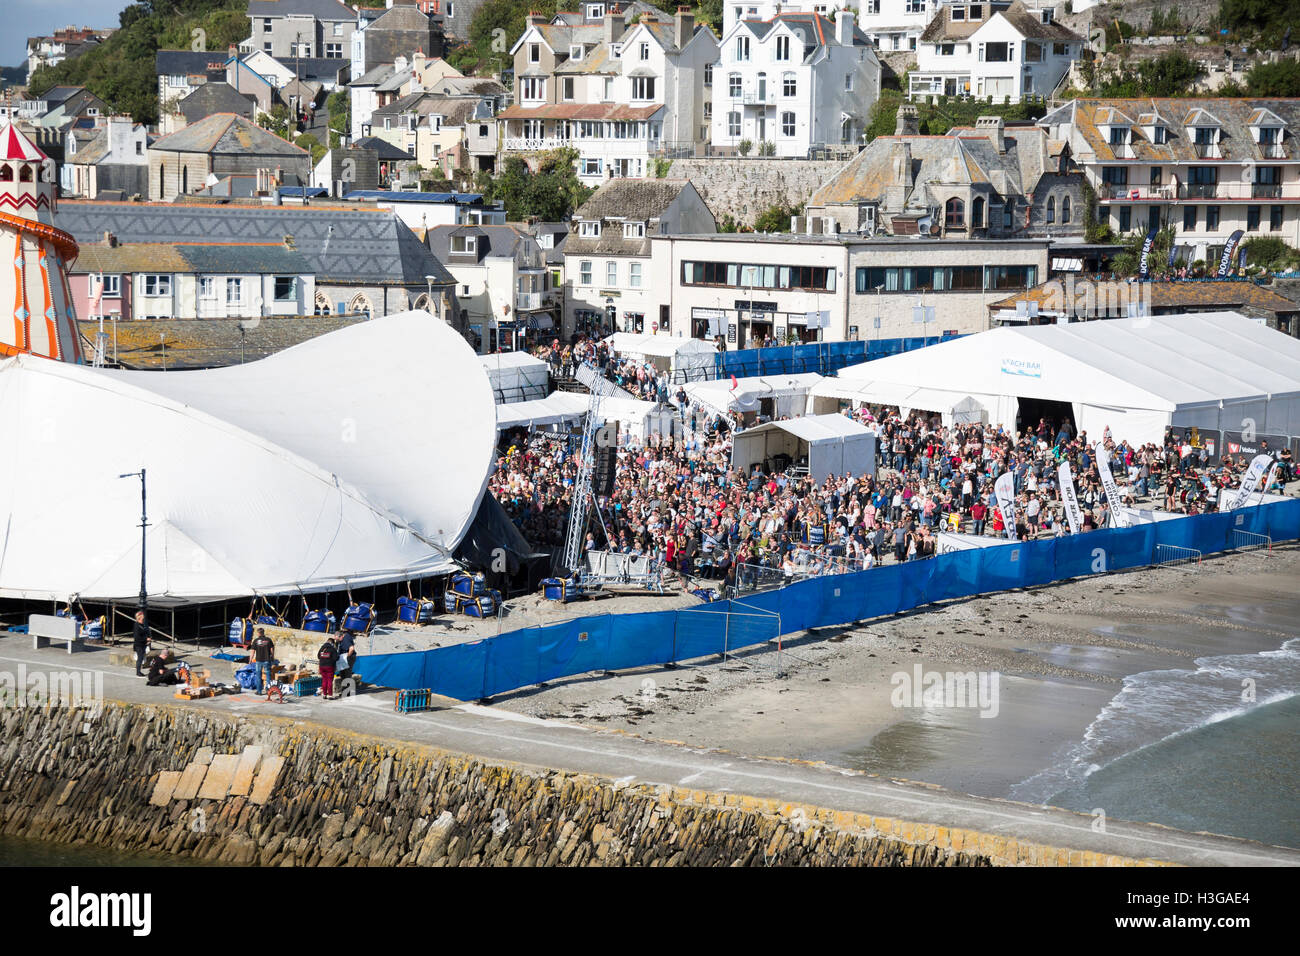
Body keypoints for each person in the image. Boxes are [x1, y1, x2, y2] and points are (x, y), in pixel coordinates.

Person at [250, 627, 275, 694]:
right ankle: (268, 691)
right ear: (263, 632)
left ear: (258, 633)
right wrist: (272, 657)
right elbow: (272, 649)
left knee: (258, 676)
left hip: (259, 660)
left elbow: (252, 651)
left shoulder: (256, 641)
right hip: (267, 660)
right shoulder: (268, 640)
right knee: (268, 676)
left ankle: (259, 691)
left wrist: (250, 660)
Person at [317, 636, 340, 700]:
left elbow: (318, 656)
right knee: (329, 681)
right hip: (329, 667)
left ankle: (324, 694)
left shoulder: (322, 648)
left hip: (322, 666)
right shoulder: (332, 649)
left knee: (324, 680)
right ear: (332, 643)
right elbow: (336, 658)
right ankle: (330, 695)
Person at [133, 609, 149, 677]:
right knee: (140, 658)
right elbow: (137, 637)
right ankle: (138, 672)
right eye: (143, 617)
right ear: (139, 618)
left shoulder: (142, 624)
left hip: (142, 644)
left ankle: (139, 671)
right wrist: (146, 639)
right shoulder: (137, 625)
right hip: (138, 645)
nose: (144, 618)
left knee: (141, 658)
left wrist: (147, 640)